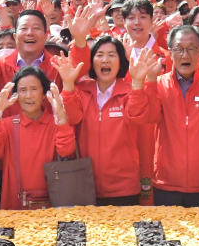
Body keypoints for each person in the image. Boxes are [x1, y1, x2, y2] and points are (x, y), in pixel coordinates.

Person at [129, 26, 199, 207]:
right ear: (170, 52)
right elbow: (141, 116)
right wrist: (145, 82)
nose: (185, 55)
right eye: (179, 49)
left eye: (191, 48)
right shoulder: (158, 84)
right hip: (167, 184)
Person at [56, 36, 155, 206]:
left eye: (111, 55)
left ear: (121, 62)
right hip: (85, 184)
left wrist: (138, 82)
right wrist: (68, 84)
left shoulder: (130, 91)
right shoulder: (81, 90)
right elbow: (71, 118)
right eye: (99, 55)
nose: (105, 60)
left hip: (123, 187)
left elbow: (137, 116)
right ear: (92, 61)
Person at [0, 67, 75, 210]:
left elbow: (66, 151)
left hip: (53, 205)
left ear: (44, 94)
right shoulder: (7, 125)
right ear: (16, 95)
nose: (28, 95)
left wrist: (62, 118)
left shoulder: (55, 124)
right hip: (15, 205)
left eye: (34, 89)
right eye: (23, 90)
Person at [0, 3, 92, 95]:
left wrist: (80, 38)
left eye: (36, 28)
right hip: (11, 131)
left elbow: (79, 67)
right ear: (15, 37)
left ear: (46, 36)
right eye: (24, 28)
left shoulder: (59, 65)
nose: (30, 33)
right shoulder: (1, 66)